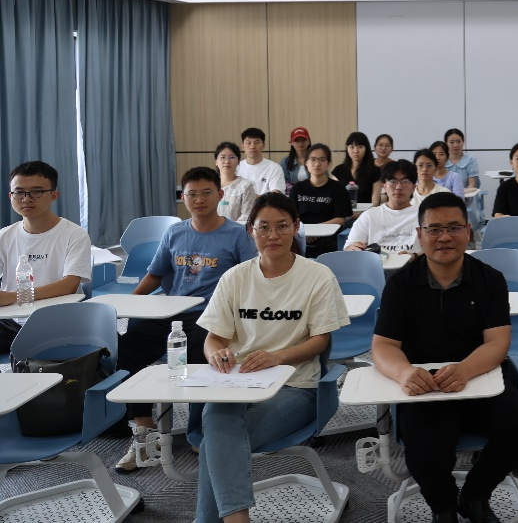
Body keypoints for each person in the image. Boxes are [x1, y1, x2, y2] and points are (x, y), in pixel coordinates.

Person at [371, 191, 518, 523]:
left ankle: (475, 495)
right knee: (426, 448)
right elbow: (383, 345)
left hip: (479, 378)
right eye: (434, 229)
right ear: (419, 235)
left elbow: (498, 342)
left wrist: (465, 370)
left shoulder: (490, 279)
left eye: (454, 228)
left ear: (468, 231)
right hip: (425, 388)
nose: (444, 237)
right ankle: (443, 507)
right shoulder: (400, 284)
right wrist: (404, 373)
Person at [194, 193, 350, 523]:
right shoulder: (235, 277)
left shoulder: (317, 276)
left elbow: (321, 340)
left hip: (295, 386)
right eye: (263, 227)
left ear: (296, 227)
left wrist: (277, 357)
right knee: (218, 423)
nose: (273, 235)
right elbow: (214, 337)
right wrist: (216, 354)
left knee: (216, 442)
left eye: (282, 226)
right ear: (250, 230)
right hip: (238, 383)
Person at [115, 166, 257, 471]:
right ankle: (144, 429)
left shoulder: (237, 234)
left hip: (214, 315)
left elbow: (252, 278)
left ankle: (199, 428)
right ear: (183, 198)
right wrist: (129, 303)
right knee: (128, 345)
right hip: (173, 312)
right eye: (192, 194)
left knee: (197, 350)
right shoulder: (175, 232)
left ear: (220, 195)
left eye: (207, 193)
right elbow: (155, 275)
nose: (199, 199)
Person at [0, 161, 92, 352]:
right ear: (10, 196)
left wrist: (13, 297)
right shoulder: (4, 236)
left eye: (36, 192)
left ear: (54, 195)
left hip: (56, 320)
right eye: (19, 192)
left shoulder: (74, 234)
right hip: (10, 320)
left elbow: (69, 285)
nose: (26, 199)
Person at [289, 143, 353, 256]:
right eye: (312, 159)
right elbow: (291, 217)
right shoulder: (298, 188)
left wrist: (316, 232)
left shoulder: (338, 188)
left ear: (329, 164)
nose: (317, 164)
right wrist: (304, 233)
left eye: (322, 160)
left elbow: (340, 219)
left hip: (328, 239)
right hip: (300, 237)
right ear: (306, 163)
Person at [346, 160, 421, 256]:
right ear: (384, 186)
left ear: (414, 187)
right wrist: (352, 248)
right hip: (376, 264)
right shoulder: (369, 216)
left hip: (414, 264)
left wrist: (416, 256)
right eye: (393, 181)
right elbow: (348, 249)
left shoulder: (423, 215)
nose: (399, 187)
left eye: (405, 181)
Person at [214, 141, 257, 222]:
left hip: (237, 229)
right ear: (216, 162)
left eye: (232, 157)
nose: (227, 161)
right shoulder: (210, 185)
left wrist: (230, 227)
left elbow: (247, 215)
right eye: (222, 157)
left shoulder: (246, 186)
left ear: (238, 162)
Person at [237, 127, 285, 195]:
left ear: (264, 145)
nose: (252, 146)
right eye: (248, 143)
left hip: (266, 203)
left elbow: (276, 195)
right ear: (242, 146)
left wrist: (249, 197)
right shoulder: (236, 167)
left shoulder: (274, 168)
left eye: (256, 142)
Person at [333, 131, 376, 205]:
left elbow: (375, 202)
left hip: (367, 211)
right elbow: (335, 198)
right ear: (347, 149)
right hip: (344, 211)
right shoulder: (338, 171)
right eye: (351, 147)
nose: (355, 151)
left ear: (366, 148)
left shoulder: (375, 171)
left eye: (360, 147)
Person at [368, 133, 397, 205]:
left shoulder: (395, 166)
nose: (383, 148)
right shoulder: (368, 165)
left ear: (392, 149)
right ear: (375, 147)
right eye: (380, 145)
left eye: (387, 146)